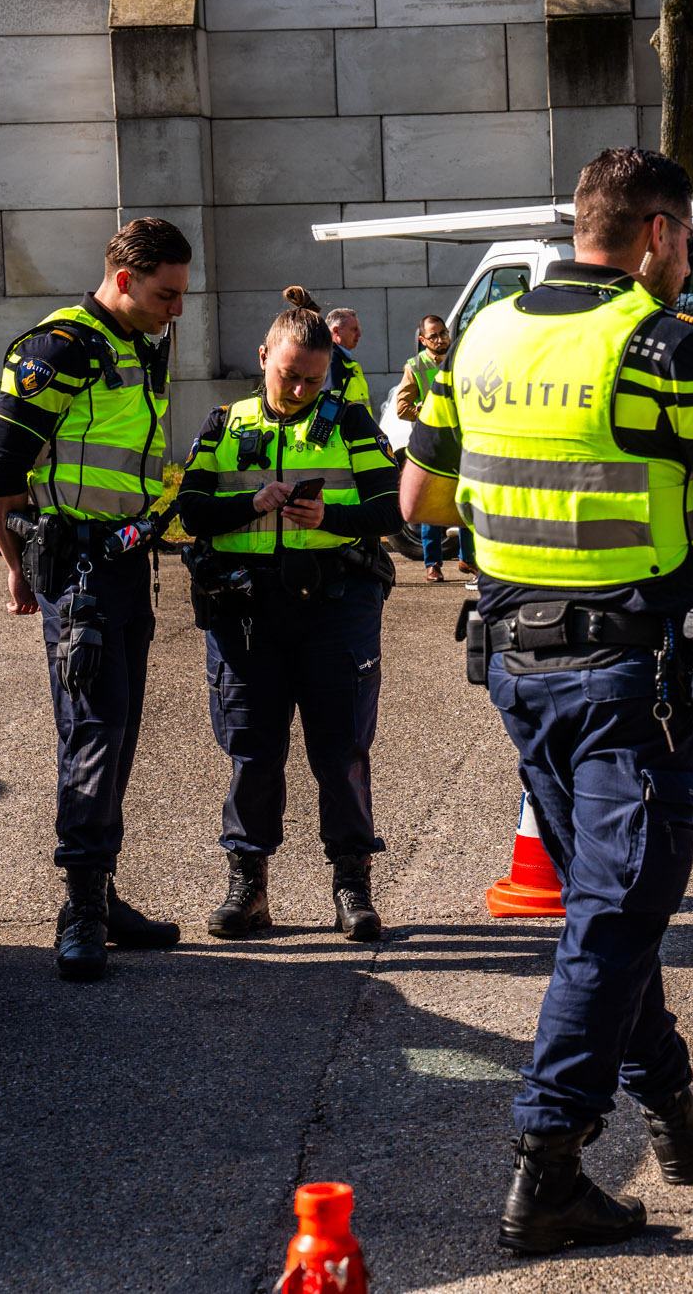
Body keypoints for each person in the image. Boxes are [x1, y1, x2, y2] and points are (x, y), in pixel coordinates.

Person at [402, 147, 693, 1254]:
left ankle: (667, 1098)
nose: (688, 259)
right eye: (690, 241)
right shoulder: (663, 343)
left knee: (605, 909)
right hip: (625, 673)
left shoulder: (486, 333)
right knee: (618, 908)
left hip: (514, 664)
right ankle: (548, 1157)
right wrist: (692, 503)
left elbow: (420, 494)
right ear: (658, 232)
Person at [0, 217, 191, 982]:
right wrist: (20, 570)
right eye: (167, 294)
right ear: (124, 279)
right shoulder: (59, 349)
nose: (178, 310)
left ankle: (100, 891)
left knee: (120, 728)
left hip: (129, 565)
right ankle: (81, 910)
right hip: (79, 576)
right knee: (95, 732)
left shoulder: (140, 341)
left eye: (183, 296)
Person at [177, 286, 404, 943]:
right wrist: (253, 505)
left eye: (314, 377)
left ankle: (351, 884)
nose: (302, 389)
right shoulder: (226, 424)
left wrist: (328, 516)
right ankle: (248, 887)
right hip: (247, 612)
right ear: (264, 357)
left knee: (341, 752)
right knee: (252, 750)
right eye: (289, 374)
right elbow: (192, 509)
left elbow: (390, 511)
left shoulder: (354, 422)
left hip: (335, 608)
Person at [397, 316, 453, 581]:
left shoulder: (460, 357)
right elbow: (401, 408)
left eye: (443, 333)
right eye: (434, 336)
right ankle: (433, 564)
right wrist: (421, 410)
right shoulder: (415, 366)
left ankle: (469, 561)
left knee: (465, 502)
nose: (441, 339)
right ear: (423, 340)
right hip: (430, 445)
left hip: (459, 441)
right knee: (430, 506)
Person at [326, 306, 373, 416]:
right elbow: (330, 407)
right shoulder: (332, 362)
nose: (359, 335)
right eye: (354, 330)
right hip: (345, 433)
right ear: (336, 331)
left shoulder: (340, 360)